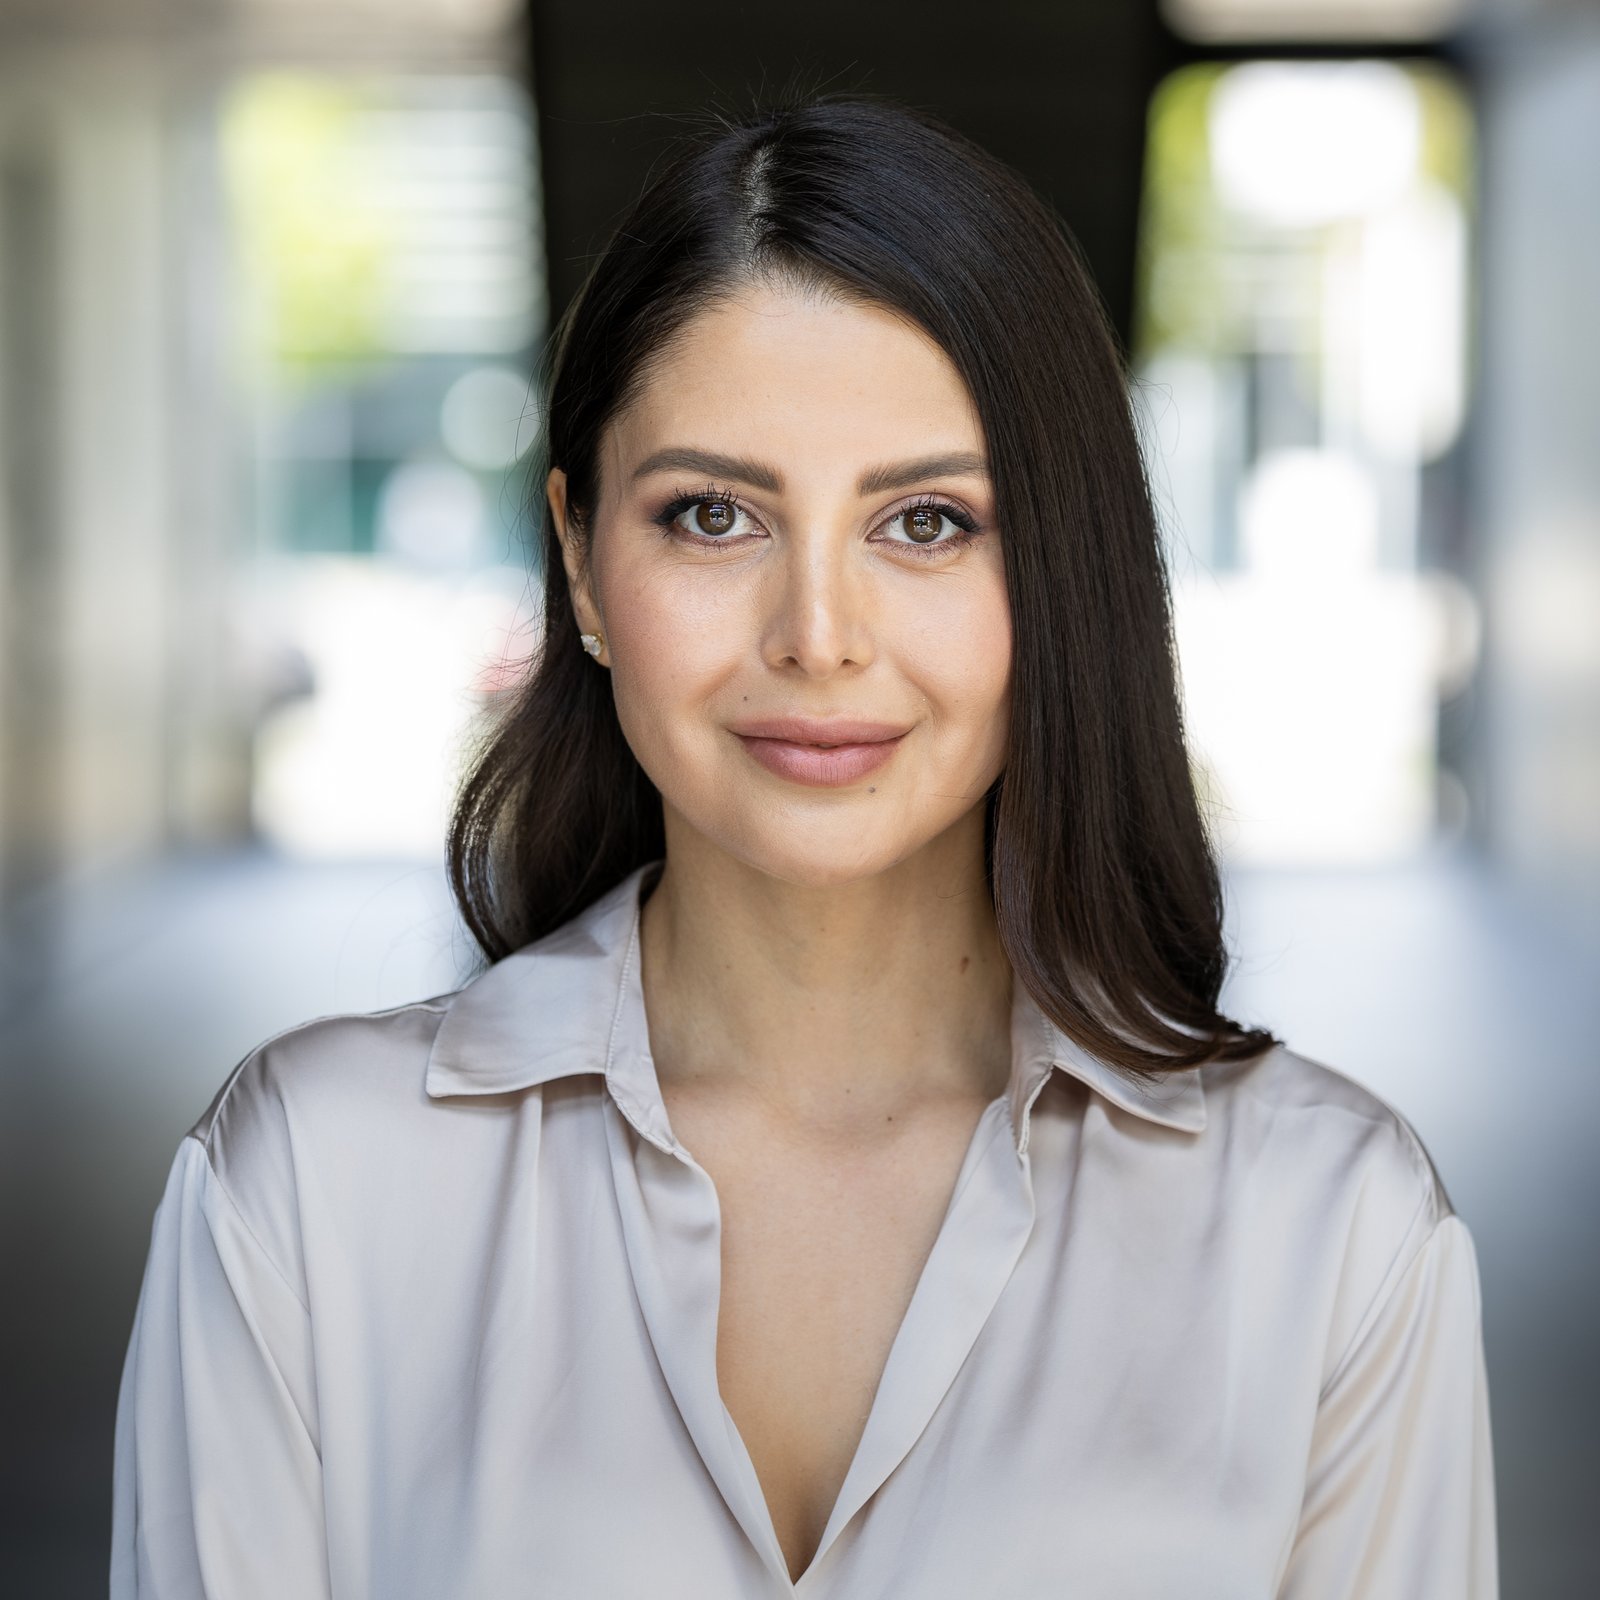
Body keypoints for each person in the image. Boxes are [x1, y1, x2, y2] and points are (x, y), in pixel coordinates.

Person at [110, 92, 1498, 1597]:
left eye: (927, 524)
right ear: (578, 558)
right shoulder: (306, 1192)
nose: (819, 639)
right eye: (713, 517)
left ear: (1064, 564)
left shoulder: (1335, 1234)